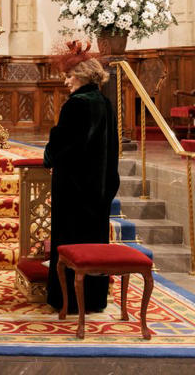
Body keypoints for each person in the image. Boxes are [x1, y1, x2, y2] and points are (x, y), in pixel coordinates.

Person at [45, 41, 120, 313]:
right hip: (98, 187)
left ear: (80, 75)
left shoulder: (76, 104)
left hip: (73, 189)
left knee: (70, 243)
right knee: (93, 242)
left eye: (68, 76)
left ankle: (68, 302)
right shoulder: (104, 102)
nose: (66, 81)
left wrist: (49, 157)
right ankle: (95, 298)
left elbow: (64, 144)